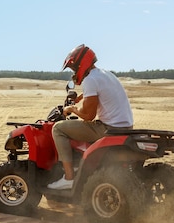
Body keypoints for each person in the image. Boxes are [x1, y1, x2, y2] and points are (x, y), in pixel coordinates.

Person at [47, 44, 134, 190]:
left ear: (81, 64)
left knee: (58, 129)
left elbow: (88, 116)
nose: (74, 72)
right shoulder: (106, 74)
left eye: (74, 68)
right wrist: (80, 98)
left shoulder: (90, 80)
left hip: (107, 129)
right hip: (126, 127)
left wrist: (72, 109)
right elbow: (99, 91)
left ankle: (68, 177)